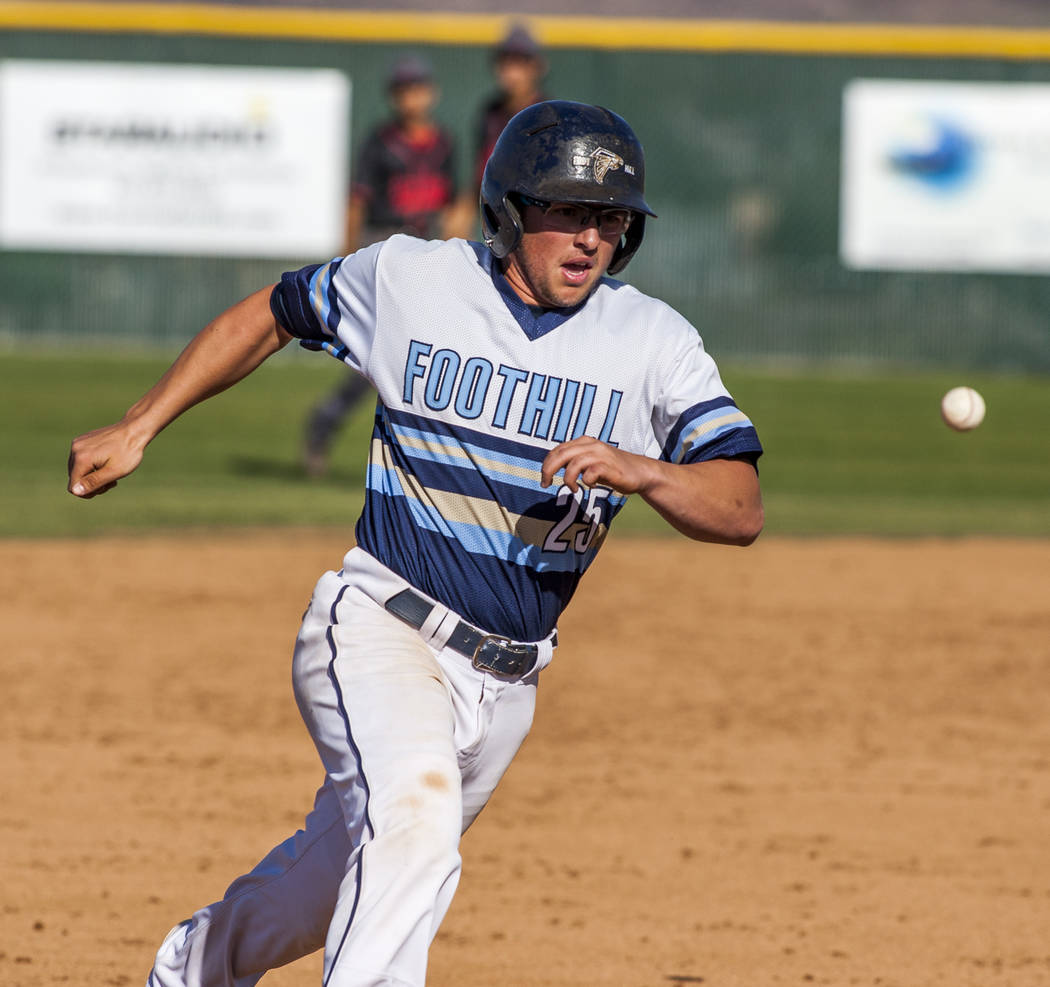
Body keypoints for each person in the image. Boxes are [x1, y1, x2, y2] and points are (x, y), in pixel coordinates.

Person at [67, 100, 764, 987]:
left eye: (610, 219)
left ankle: (192, 968)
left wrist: (648, 471)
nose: (590, 237)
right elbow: (276, 311)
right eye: (568, 212)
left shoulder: (654, 343)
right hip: (382, 628)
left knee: (338, 880)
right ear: (511, 210)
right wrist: (140, 425)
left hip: (508, 686)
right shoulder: (409, 278)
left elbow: (740, 505)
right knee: (418, 828)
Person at [303, 53, 459, 478]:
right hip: (384, 248)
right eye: (403, 89)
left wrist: (450, 253)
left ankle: (331, 422)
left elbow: (454, 202)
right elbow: (358, 200)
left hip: (423, 252)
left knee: (400, 356)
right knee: (389, 354)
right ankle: (336, 425)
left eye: (417, 87)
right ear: (394, 96)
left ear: (431, 92)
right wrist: (348, 254)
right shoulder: (380, 141)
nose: (411, 97)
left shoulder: (444, 143)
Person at [448, 22, 548, 241]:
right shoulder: (490, 113)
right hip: (495, 209)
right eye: (506, 63)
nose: (511, 73)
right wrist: (462, 210)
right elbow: (480, 172)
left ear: (536, 67)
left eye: (520, 63)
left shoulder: (546, 114)